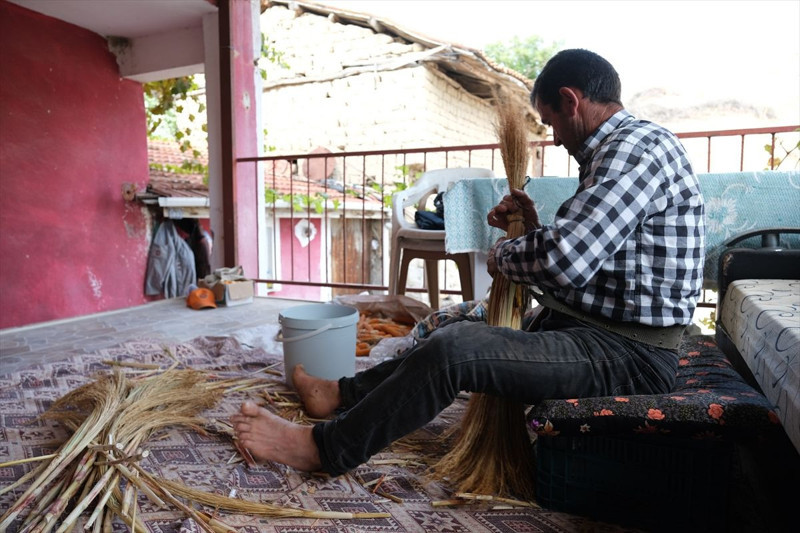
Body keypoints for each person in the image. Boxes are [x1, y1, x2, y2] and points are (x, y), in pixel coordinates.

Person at [231, 49, 705, 476]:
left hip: (630, 356)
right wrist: (530, 231)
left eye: (552, 122)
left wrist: (502, 254)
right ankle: (338, 395)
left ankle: (324, 450)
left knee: (454, 351)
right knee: (448, 331)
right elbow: (594, 263)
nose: (556, 139)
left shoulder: (632, 149)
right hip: (596, 330)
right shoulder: (624, 148)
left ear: (571, 100)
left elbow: (566, 263)